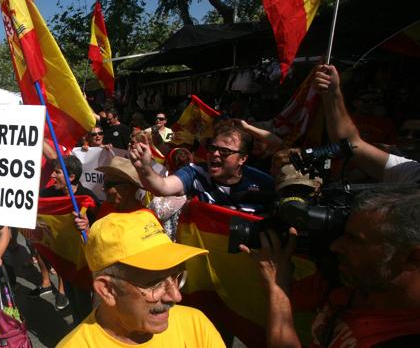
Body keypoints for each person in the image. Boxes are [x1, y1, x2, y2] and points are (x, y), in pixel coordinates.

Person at [241, 188, 420, 347]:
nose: (336, 246)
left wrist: (277, 291)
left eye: (355, 240)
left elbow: (281, 298)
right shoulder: (355, 279)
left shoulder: (406, 335)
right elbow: (292, 298)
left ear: (412, 257)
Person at [57, 209, 225, 347]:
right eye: (155, 283)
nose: (176, 296)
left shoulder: (195, 324)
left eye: (175, 276)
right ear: (108, 290)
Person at [130, 119, 274, 213]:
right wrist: (145, 168)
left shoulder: (263, 182)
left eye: (225, 151)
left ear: (242, 159)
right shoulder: (195, 173)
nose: (215, 154)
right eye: (212, 148)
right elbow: (162, 187)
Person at [314, 64, 420, 183]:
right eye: (366, 100)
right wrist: (332, 93)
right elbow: (350, 144)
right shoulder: (411, 172)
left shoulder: (385, 124)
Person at [39, 155, 99, 320]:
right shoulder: (47, 194)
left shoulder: (87, 197)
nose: (51, 176)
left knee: (83, 302)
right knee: (72, 298)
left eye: (57, 172)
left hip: (82, 263)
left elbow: (102, 229)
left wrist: (87, 227)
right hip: (62, 258)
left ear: (71, 177)